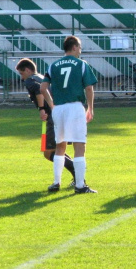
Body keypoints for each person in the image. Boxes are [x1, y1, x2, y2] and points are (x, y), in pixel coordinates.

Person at [41, 35, 98, 194]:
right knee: (80, 146)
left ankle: (56, 183)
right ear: (74, 47)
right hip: (74, 107)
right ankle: (80, 186)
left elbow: (43, 87)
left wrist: (52, 104)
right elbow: (88, 88)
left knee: (60, 146)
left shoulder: (53, 65)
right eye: (79, 47)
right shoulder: (81, 64)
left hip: (58, 109)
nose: (80, 50)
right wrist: (90, 108)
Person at [15, 58, 76, 189]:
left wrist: (42, 109)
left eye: (21, 73)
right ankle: (77, 173)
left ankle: (77, 172)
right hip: (61, 113)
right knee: (59, 149)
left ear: (27, 70)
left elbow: (39, 91)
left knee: (49, 152)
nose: (22, 77)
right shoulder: (41, 77)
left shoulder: (31, 80)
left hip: (53, 116)